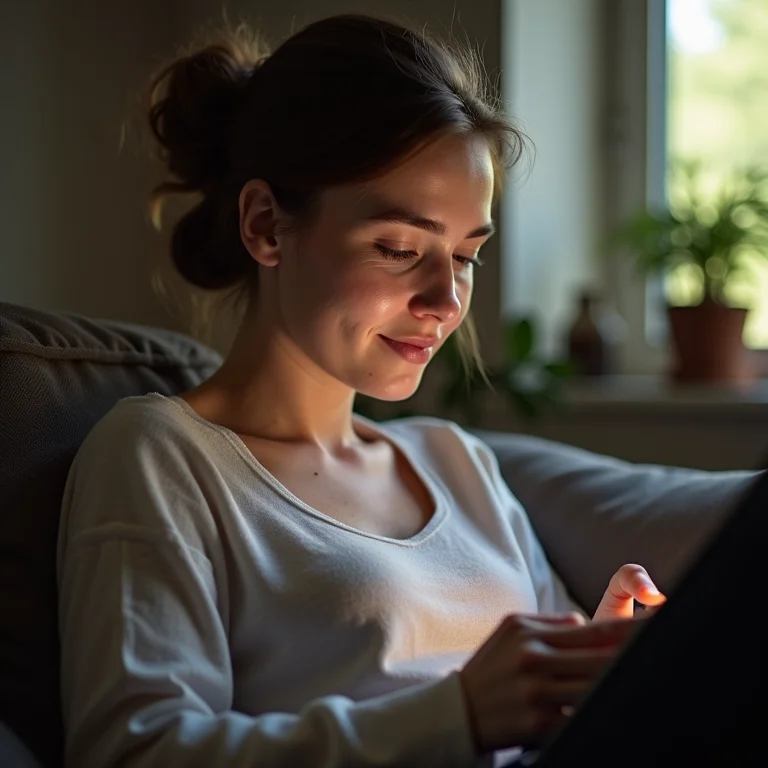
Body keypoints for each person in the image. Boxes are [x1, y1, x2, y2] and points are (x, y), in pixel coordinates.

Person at [56, 14, 667, 768]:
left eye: (467, 256)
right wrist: (459, 716)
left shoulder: (456, 463)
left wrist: (599, 671)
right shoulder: (163, 457)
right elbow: (137, 752)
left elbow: (544, 713)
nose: (446, 300)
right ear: (266, 226)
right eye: (400, 249)